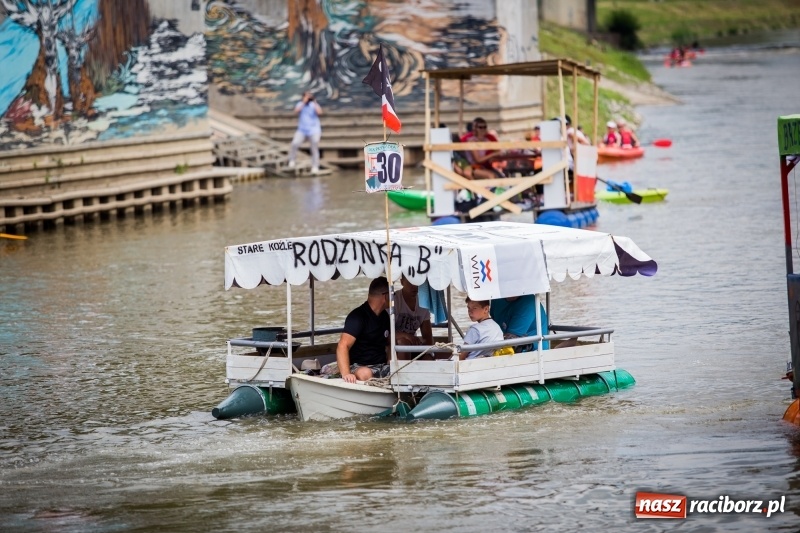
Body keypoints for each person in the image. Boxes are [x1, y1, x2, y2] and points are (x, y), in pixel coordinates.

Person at [336, 276, 391, 383]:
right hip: (359, 366)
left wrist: (390, 363)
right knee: (365, 373)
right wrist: (346, 373)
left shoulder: (385, 316)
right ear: (386, 296)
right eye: (393, 295)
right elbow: (342, 345)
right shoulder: (357, 317)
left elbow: (388, 344)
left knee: (403, 370)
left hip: (381, 366)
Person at [394, 276, 434, 351]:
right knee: (403, 343)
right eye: (411, 282)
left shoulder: (423, 303)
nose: (415, 286)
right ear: (402, 282)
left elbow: (427, 337)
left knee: (428, 357)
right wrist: (406, 336)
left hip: (412, 346)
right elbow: (386, 334)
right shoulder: (394, 300)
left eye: (417, 282)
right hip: (393, 347)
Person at [288, 90, 322, 174]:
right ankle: (292, 160)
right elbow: (296, 111)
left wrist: (314, 102)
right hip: (302, 130)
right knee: (294, 143)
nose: (308, 98)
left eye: (310, 96)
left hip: (314, 129)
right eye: (307, 96)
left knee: (314, 146)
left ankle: (315, 166)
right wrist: (304, 102)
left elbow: (320, 112)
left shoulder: (314, 104)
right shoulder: (300, 104)